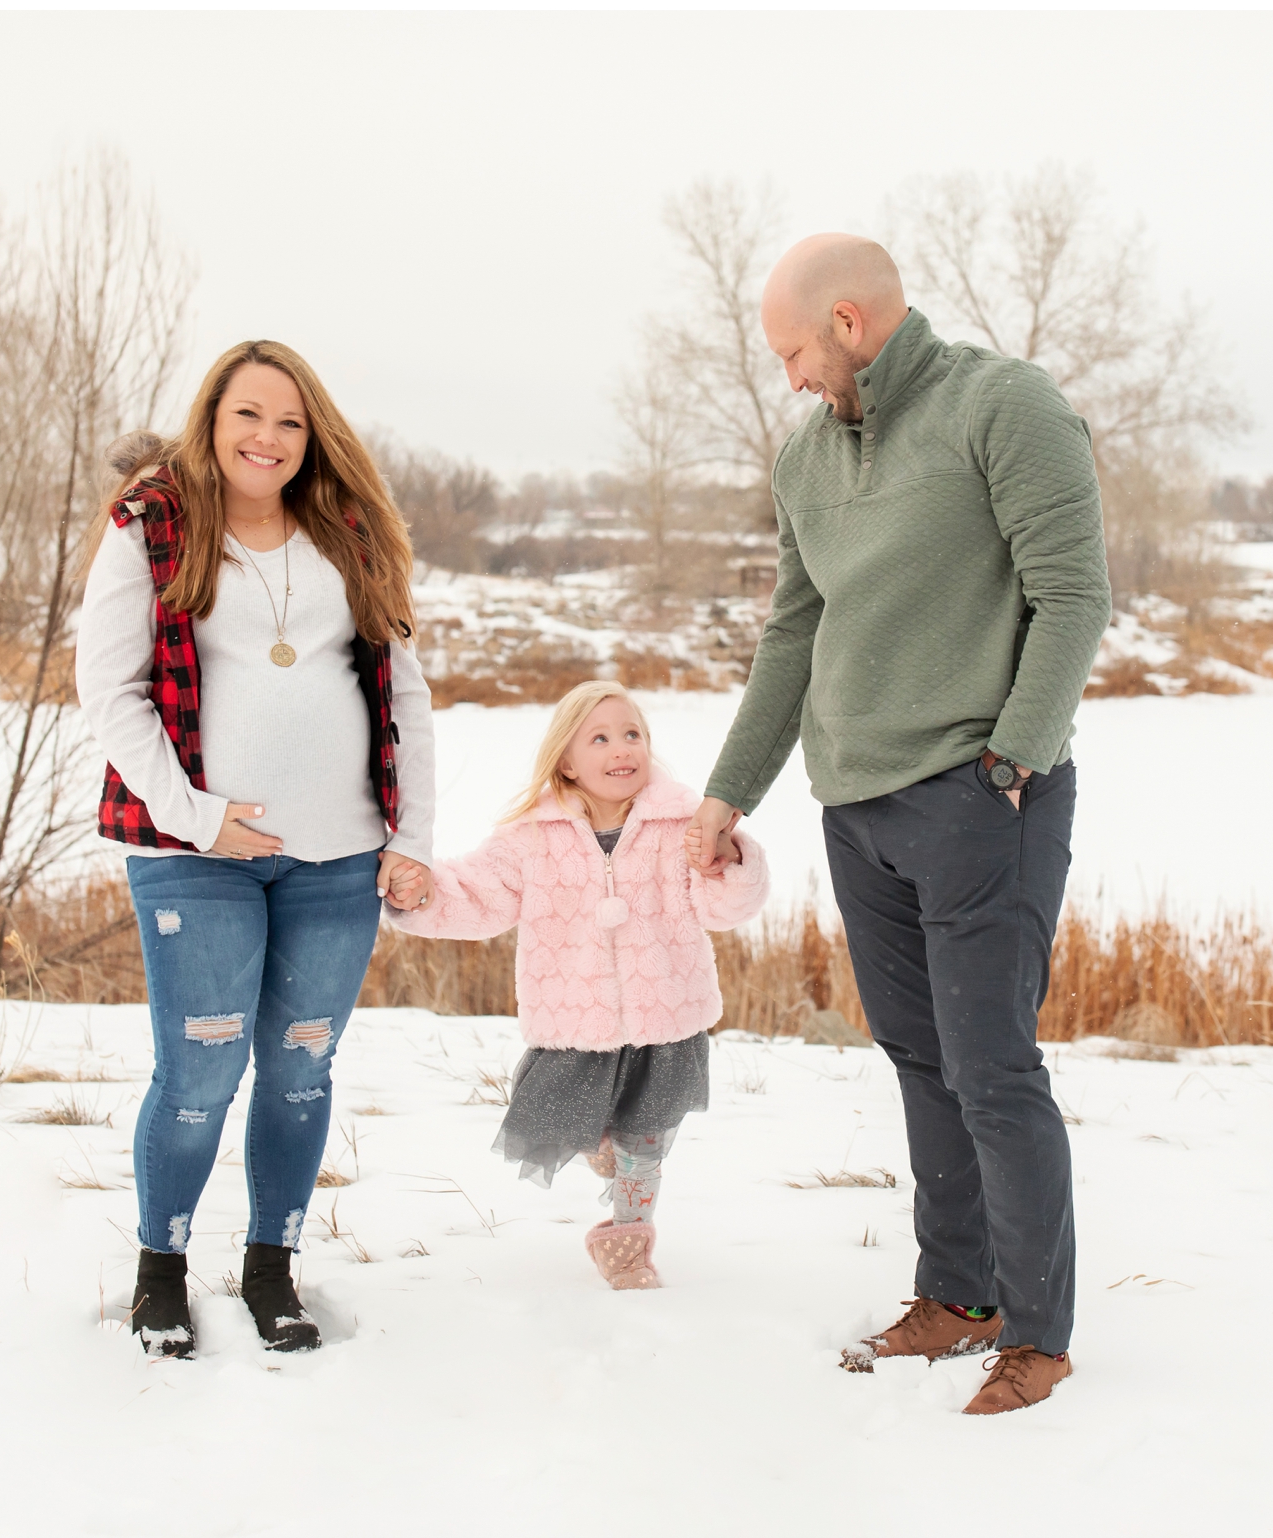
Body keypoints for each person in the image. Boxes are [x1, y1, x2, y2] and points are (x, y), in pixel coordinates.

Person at [685, 235, 1111, 1413]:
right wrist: (731, 790)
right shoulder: (805, 460)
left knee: (991, 1068)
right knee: (921, 1060)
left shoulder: (1004, 405)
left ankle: (1038, 1332)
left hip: (983, 798)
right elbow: (792, 633)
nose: (791, 379)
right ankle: (960, 1293)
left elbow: (1074, 593)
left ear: (852, 322)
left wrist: (1013, 761)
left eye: (794, 353)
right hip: (856, 808)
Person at [75, 339, 436, 1360]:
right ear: (212, 419)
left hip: (337, 864)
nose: (267, 438)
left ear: (310, 433)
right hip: (196, 855)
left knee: (298, 1072)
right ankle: (162, 1269)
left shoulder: (348, 530)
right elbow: (110, 689)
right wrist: (197, 815)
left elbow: (404, 688)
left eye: (288, 420)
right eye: (247, 415)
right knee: (198, 1072)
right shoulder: (153, 525)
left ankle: (271, 1265)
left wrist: (411, 838)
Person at [385, 682, 769, 1289]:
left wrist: (731, 858)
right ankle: (605, 1147)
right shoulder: (534, 837)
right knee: (580, 1127)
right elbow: (480, 894)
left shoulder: (679, 824)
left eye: (632, 734)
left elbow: (723, 906)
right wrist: (423, 891)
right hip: (574, 1021)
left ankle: (626, 1246)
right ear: (566, 760)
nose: (622, 749)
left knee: (648, 1139)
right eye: (600, 738)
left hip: (665, 1015)